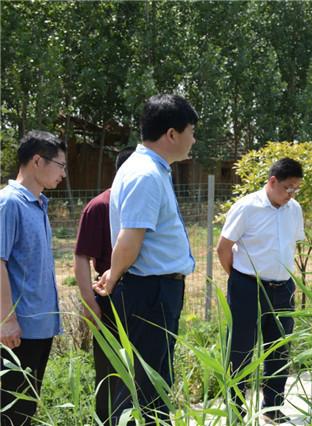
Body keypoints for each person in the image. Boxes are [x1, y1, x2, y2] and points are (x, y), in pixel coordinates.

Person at [92, 94, 198, 424]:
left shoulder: (150, 170)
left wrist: (116, 271)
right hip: (149, 293)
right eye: (191, 131)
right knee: (152, 386)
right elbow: (130, 237)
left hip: (152, 290)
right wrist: (115, 272)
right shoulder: (145, 175)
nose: (194, 139)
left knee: (150, 379)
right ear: (171, 134)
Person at [216, 158, 304, 424]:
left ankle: (273, 410)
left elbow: (290, 245)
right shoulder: (247, 207)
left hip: (283, 288)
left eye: (296, 189)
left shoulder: (294, 209)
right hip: (248, 287)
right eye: (287, 188)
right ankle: (237, 411)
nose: (291, 195)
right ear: (272, 181)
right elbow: (223, 248)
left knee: (279, 349)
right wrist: (240, 280)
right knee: (240, 350)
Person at [0, 130, 67, 425]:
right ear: (38, 161)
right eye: (61, 165)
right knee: (11, 409)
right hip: (18, 330)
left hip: (39, 326)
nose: (63, 174)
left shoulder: (38, 204)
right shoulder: (9, 203)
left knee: (26, 408)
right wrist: (6, 319)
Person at [73, 146, 134, 423]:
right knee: (110, 368)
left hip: (147, 294)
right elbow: (81, 256)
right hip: (110, 294)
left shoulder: (147, 204)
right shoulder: (99, 206)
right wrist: (89, 303)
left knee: (142, 366)